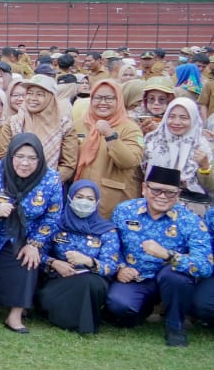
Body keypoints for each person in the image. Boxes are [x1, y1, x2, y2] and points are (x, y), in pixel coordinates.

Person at [107, 165, 212, 347]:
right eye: (156, 190)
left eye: (170, 192)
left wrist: (168, 256)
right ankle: (142, 310)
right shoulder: (124, 211)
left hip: (170, 278)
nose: (162, 196)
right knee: (119, 307)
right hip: (137, 278)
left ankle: (175, 326)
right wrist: (121, 268)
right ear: (144, 188)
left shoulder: (190, 220)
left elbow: (205, 265)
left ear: (178, 194)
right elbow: (111, 246)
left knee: (175, 278)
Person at [0, 132, 63, 334]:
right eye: (19, 156)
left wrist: (35, 243)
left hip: (24, 236)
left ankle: (15, 315)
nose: (25, 163)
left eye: (32, 158)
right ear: (10, 155)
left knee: (28, 258)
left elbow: (53, 215)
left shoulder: (51, 179)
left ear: (40, 159)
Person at [38, 179, 119, 336]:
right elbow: (37, 252)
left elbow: (111, 266)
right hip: (59, 277)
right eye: (79, 197)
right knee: (48, 295)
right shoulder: (55, 224)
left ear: (97, 202)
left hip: (91, 279)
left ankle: (81, 324)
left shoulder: (106, 230)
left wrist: (88, 261)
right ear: (70, 198)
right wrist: (54, 263)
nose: (84, 202)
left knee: (88, 282)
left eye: (90, 199)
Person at [72, 79, 144, 215]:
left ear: (119, 100)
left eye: (109, 98)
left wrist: (110, 135)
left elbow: (130, 161)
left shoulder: (130, 128)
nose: (103, 102)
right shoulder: (79, 125)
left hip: (113, 202)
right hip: (80, 199)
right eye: (98, 98)